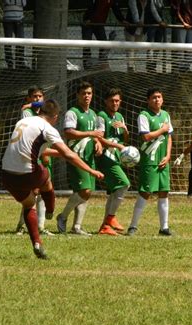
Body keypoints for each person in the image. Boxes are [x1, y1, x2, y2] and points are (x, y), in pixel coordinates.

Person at [2, 99, 104, 259]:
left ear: (39, 111)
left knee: (29, 204)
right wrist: (91, 170)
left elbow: (38, 150)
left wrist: (29, 105)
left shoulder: (23, 121)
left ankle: (37, 243)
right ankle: (50, 210)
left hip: (6, 174)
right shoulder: (47, 128)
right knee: (46, 176)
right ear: (55, 117)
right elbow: (69, 155)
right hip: (27, 174)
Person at [56, 81, 104, 235]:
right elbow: (68, 132)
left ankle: (77, 226)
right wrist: (91, 134)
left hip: (89, 158)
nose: (87, 96)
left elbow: (96, 135)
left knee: (85, 193)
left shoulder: (93, 114)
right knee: (86, 190)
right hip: (76, 157)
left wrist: (98, 143)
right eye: (83, 93)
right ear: (77, 95)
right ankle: (62, 216)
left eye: (89, 93)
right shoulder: (73, 112)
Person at [127, 88, 173, 236]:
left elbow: (169, 137)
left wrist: (168, 155)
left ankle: (164, 227)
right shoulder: (144, 115)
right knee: (145, 192)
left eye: (159, 97)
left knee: (164, 192)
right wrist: (162, 129)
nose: (157, 100)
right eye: (154, 97)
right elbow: (146, 137)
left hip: (163, 160)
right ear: (148, 100)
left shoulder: (166, 115)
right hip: (149, 160)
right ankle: (133, 226)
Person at [15, 86, 54, 237]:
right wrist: (31, 106)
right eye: (34, 97)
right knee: (33, 192)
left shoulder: (46, 114)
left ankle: (41, 225)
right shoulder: (26, 112)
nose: (37, 99)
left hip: (43, 154)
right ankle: (21, 225)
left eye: (40, 97)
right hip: (30, 155)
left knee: (43, 189)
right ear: (28, 99)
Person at [96, 88, 131, 236]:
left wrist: (125, 130)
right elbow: (99, 138)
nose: (115, 103)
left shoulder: (120, 117)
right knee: (124, 184)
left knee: (115, 191)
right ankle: (110, 218)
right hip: (105, 157)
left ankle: (105, 227)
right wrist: (117, 146)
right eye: (112, 100)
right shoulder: (101, 116)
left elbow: (125, 140)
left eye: (117, 100)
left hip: (116, 157)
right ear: (106, 101)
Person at [81, 0, 127, 70]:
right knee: (87, 44)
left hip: (99, 24)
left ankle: (102, 63)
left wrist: (122, 20)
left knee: (104, 43)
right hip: (88, 23)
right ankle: (86, 66)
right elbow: (91, 6)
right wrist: (89, 19)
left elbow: (116, 9)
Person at [169, 0, 192, 73]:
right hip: (181, 24)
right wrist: (183, 22)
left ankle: (186, 67)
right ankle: (179, 68)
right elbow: (176, 10)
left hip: (191, 24)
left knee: (191, 46)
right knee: (180, 47)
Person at [2, 0, 26, 69]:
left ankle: (19, 63)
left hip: (19, 19)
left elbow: (24, 3)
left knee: (21, 42)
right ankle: (9, 64)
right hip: (7, 19)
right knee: (8, 43)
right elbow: (7, 2)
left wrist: (13, 2)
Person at [124, 0, 147, 72]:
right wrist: (137, 21)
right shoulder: (132, 0)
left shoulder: (148, 2)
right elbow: (134, 12)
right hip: (131, 29)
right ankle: (130, 68)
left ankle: (132, 67)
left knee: (136, 49)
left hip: (141, 29)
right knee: (130, 49)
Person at [144, 0, 167, 73]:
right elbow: (153, 11)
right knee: (150, 46)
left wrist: (163, 21)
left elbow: (162, 11)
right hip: (152, 25)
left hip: (160, 26)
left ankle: (153, 65)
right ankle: (150, 66)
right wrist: (160, 21)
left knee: (157, 46)